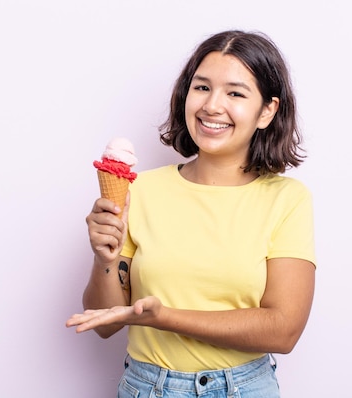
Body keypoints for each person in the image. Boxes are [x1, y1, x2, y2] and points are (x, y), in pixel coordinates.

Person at [66, 29, 316, 397]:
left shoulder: (286, 199)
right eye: (201, 88)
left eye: (235, 93)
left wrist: (162, 317)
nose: (212, 105)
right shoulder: (142, 190)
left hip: (244, 388)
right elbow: (103, 322)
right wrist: (105, 258)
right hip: (147, 387)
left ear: (267, 111)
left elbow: (283, 330)